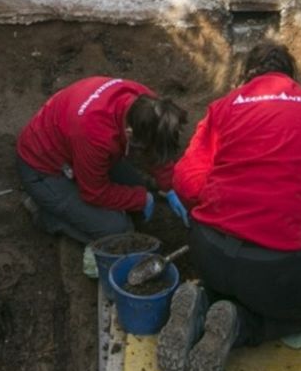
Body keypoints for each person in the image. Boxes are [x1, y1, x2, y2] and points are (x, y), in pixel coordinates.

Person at [159, 42, 301, 371]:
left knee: (233, 285)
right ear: (291, 76)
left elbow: (185, 181)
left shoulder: (223, 107)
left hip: (210, 251)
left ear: (245, 76)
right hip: (280, 269)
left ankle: (204, 303)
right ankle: (241, 328)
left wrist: (223, 201)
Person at [15, 77, 189, 276]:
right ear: (129, 133)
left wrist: (170, 187)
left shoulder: (149, 106)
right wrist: (140, 199)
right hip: (44, 170)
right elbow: (94, 193)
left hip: (77, 153)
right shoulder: (93, 133)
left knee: (138, 186)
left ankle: (70, 203)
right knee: (118, 230)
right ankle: (45, 214)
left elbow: (156, 146)